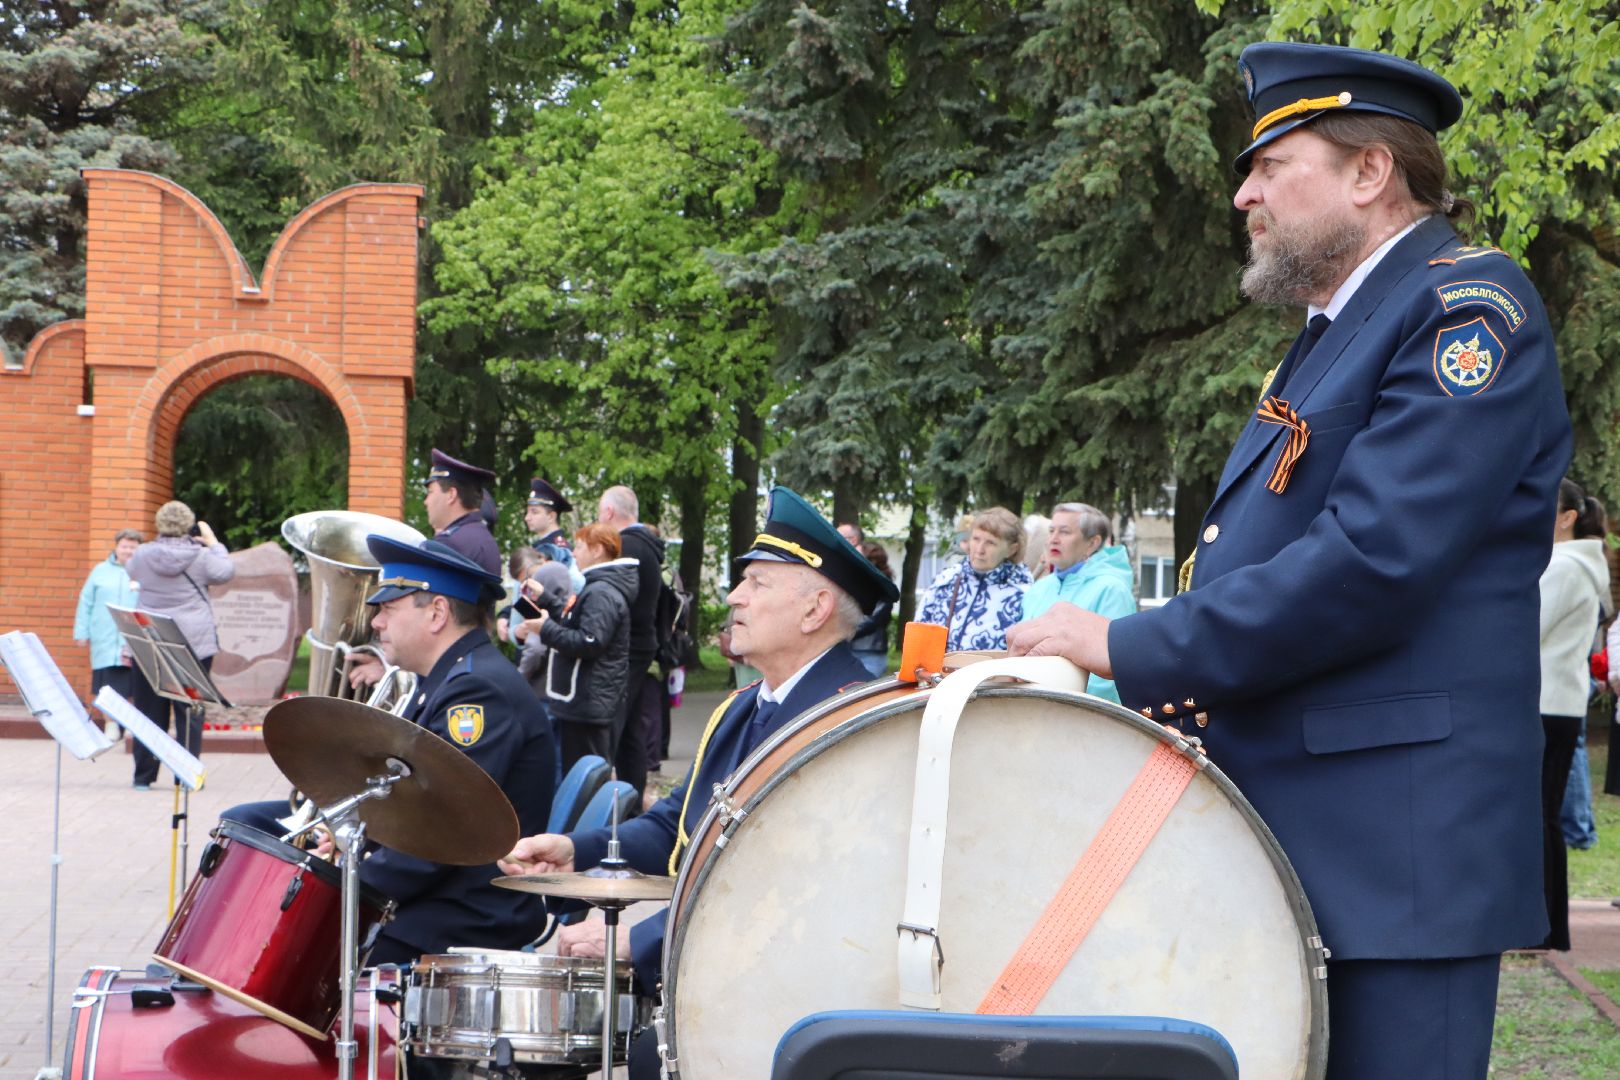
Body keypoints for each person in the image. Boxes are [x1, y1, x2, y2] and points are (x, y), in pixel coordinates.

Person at [1006, 42, 1570, 1079]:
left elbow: (1373, 561)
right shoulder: (1334, 333)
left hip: (1395, 860)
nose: (1244, 194)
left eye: (1271, 165)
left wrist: (1127, 643)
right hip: (1302, 841)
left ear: (1370, 172)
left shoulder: (1465, 309)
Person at [500, 486, 897, 1080]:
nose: (734, 596)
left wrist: (644, 941)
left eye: (757, 583)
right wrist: (574, 850)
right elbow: (677, 823)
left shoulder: (846, 722)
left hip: (797, 1004)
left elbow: (787, 887)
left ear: (815, 610)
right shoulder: (743, 707)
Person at [226, 536, 556, 962]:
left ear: (437, 613)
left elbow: (437, 833)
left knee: (284, 949)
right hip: (435, 889)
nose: (376, 623)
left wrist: (338, 883)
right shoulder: (446, 678)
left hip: (462, 912)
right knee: (244, 825)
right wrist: (347, 839)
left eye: (388, 609)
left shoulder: (477, 692)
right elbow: (411, 804)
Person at [1538, 478, 1611, 950]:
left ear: (1567, 518)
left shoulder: (1565, 566)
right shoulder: (1577, 565)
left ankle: (1546, 927)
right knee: (1542, 815)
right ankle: (1546, 926)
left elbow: (1528, 628)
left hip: (1547, 704)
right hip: (1557, 704)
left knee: (1540, 816)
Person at [125, 502, 234, 790]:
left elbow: (131, 572)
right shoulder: (201, 556)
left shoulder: (143, 553)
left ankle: (143, 777)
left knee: (149, 711)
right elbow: (225, 572)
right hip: (193, 643)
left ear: (159, 523)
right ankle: (185, 776)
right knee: (190, 710)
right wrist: (213, 542)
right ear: (189, 525)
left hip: (149, 638)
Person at [520, 522, 639, 773]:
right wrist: (545, 599)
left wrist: (545, 629)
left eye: (580, 546)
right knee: (583, 773)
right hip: (587, 701)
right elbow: (577, 621)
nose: (574, 553)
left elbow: (589, 641)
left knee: (587, 777)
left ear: (597, 550)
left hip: (589, 704)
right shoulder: (599, 587)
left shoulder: (601, 592)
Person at [1019, 503, 1135, 702]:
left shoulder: (1112, 590)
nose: (1054, 539)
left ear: (1092, 543)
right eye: (1051, 531)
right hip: (1026, 703)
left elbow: (1110, 672)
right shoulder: (1039, 588)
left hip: (1080, 711)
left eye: (1064, 532)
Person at [595, 485, 663, 801]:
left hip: (627, 648)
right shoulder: (645, 544)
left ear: (609, 512)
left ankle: (613, 802)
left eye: (600, 511)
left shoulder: (627, 546)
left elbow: (613, 598)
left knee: (613, 727)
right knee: (630, 732)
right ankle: (631, 801)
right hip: (640, 644)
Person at [1561, 495, 1610, 849]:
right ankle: (1581, 826)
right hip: (1580, 669)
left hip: (1574, 671)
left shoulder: (1577, 563)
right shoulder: (1593, 558)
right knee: (1574, 747)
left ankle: (1578, 829)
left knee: (1573, 749)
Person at [917, 506, 1031, 651]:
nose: (979, 549)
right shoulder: (946, 580)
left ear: (1012, 549)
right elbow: (918, 633)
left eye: (990, 542)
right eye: (976, 539)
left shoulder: (1024, 595)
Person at [74, 528, 142, 731]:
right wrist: (81, 632)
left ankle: (130, 727)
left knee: (131, 686)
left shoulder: (143, 571)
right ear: (116, 547)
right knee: (106, 687)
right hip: (104, 638)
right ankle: (111, 726)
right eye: (124, 546)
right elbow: (86, 602)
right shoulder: (100, 570)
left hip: (132, 639)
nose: (128, 551)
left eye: (133, 547)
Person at [423, 448, 501, 577]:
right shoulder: (483, 538)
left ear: (451, 495)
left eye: (431, 492)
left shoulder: (448, 544)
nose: (426, 501)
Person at [526, 477, 584, 592]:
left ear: (551, 516)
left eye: (534, 512)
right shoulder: (544, 547)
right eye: (528, 512)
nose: (527, 518)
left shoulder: (558, 551)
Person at [850, 540, 894, 677]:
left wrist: (841, 633)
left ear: (869, 561)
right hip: (851, 650)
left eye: (856, 554)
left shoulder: (882, 586)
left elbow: (871, 619)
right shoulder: (857, 582)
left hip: (868, 653)